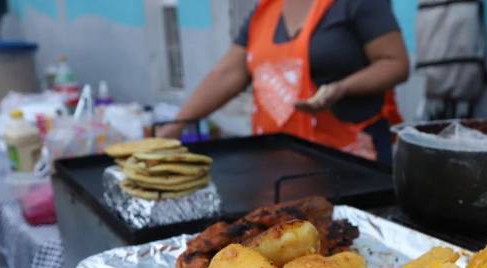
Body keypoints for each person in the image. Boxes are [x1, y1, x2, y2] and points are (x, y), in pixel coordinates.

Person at [158, 0, 409, 164]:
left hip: (348, 158)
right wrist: (178, 124)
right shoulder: (265, 11)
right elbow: (228, 73)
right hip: (277, 158)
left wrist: (341, 88)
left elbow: (395, 63)